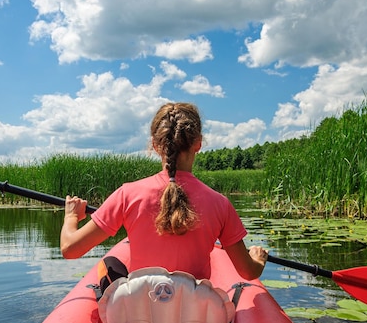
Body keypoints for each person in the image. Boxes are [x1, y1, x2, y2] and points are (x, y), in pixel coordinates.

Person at [61, 102, 268, 283]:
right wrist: (257, 259)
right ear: (198, 144)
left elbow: (70, 249)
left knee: (111, 266)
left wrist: (71, 216)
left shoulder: (127, 195)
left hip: (141, 320)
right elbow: (248, 272)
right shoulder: (220, 203)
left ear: (155, 145)